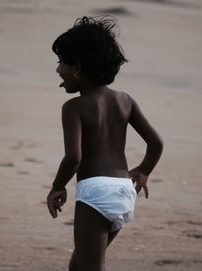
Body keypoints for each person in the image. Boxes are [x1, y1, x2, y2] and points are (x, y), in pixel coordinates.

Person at [46, 16, 163, 271]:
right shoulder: (125, 100)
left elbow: (73, 158)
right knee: (78, 266)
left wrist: (57, 186)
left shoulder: (73, 107)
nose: (57, 70)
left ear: (76, 68)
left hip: (95, 193)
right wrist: (143, 170)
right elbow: (156, 143)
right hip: (123, 191)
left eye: (60, 63)